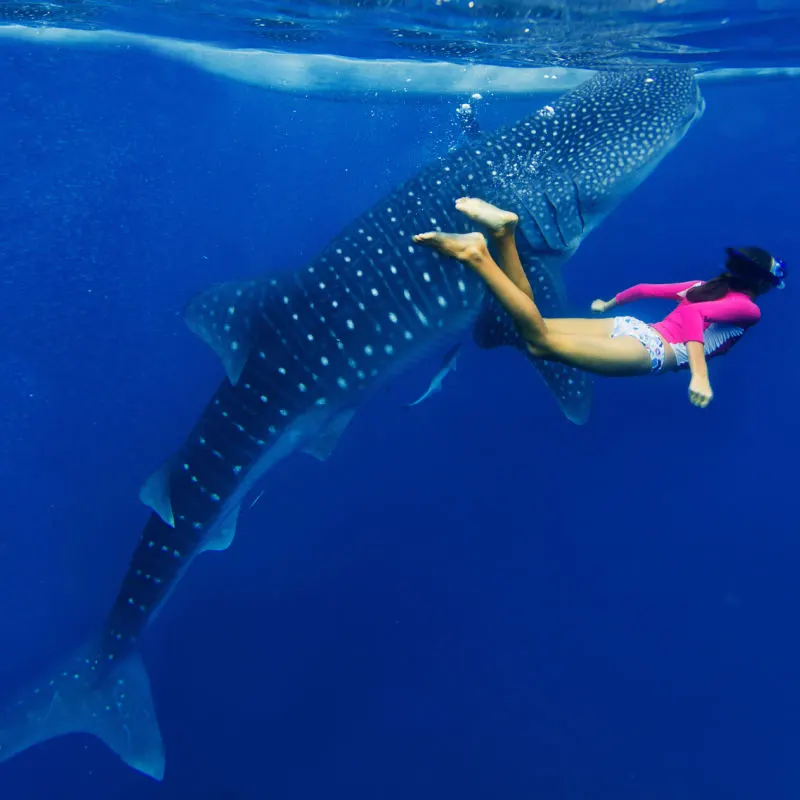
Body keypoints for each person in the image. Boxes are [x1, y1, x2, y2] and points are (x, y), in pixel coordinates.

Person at [413, 197, 786, 409]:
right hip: (653, 351)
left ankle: (503, 235)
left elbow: (645, 289)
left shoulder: (707, 285)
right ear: (762, 284)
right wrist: (699, 376)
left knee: (528, 323)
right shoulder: (749, 310)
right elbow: (696, 315)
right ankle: (477, 254)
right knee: (537, 341)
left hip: (632, 328)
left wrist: (609, 304)